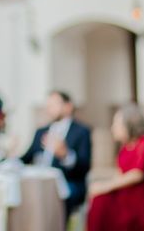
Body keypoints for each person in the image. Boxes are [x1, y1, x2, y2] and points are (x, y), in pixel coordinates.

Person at [87, 103, 144, 231]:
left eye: (116, 124)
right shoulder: (126, 148)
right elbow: (120, 174)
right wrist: (103, 187)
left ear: (130, 125)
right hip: (127, 196)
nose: (113, 128)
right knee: (100, 199)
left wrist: (104, 187)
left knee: (101, 200)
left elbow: (137, 174)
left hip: (139, 201)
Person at [20, 90, 91, 219]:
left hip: (68, 182)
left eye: (53, 104)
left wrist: (66, 155)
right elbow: (26, 158)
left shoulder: (82, 131)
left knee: (58, 196)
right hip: (39, 181)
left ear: (68, 106)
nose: (49, 109)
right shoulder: (41, 131)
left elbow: (85, 167)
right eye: (48, 105)